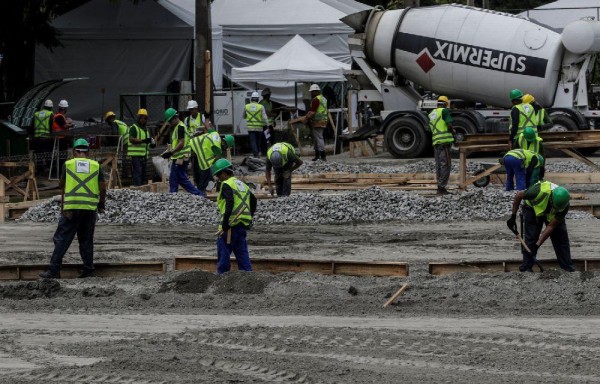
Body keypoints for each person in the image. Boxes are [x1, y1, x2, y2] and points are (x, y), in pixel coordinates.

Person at [39, 138, 107, 279]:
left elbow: (62, 185)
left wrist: (63, 207)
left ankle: (54, 270)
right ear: (87, 151)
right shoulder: (95, 165)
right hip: (89, 208)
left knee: (62, 238)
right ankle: (88, 269)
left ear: (74, 151)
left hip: (72, 208)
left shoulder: (68, 164)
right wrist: (101, 203)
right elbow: (102, 186)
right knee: (86, 239)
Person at [507, 181, 575, 272]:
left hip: (550, 216)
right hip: (532, 209)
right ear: (551, 199)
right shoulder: (537, 191)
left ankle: (567, 268)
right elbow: (518, 195)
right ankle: (527, 268)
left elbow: (551, 226)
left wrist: (538, 244)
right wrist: (513, 217)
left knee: (561, 239)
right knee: (531, 238)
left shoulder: (564, 205)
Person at [213, 158, 257, 274]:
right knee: (242, 252)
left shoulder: (227, 184)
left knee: (223, 250)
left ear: (223, 173)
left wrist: (225, 223)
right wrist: (250, 217)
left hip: (231, 225)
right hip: (242, 224)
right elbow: (254, 201)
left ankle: (222, 277)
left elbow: (230, 203)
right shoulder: (242, 184)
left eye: (218, 175)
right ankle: (248, 276)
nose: (218, 178)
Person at [161, 108, 204, 196]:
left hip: (180, 158)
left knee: (180, 178)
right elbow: (177, 143)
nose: (170, 123)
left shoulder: (180, 127)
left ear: (175, 118)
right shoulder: (179, 127)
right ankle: (174, 195)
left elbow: (181, 143)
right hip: (179, 157)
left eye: (170, 121)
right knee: (175, 179)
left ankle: (198, 194)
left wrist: (171, 152)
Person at [427, 95, 455, 195]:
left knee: (439, 165)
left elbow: (430, 128)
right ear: (446, 104)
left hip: (436, 143)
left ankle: (440, 187)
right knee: (446, 165)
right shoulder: (445, 111)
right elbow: (449, 125)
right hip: (444, 143)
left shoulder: (431, 113)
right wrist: (453, 131)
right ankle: (441, 188)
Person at [189, 127, 222, 194]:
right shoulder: (205, 138)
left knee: (202, 182)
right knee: (202, 180)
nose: (195, 135)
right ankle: (203, 191)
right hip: (203, 163)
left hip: (203, 164)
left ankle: (202, 193)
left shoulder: (196, 140)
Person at [303, 84, 328, 161]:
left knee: (319, 137)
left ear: (316, 91)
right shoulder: (323, 98)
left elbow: (313, 111)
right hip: (323, 120)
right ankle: (317, 155)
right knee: (317, 138)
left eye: (312, 92)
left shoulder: (316, 99)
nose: (311, 93)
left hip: (318, 121)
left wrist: (306, 119)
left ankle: (323, 155)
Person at [128, 109, 153, 186]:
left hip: (144, 155)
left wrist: (151, 143)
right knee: (138, 172)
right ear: (138, 118)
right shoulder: (134, 128)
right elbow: (131, 139)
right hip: (136, 155)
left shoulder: (146, 130)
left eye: (145, 118)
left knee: (143, 173)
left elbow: (148, 141)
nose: (143, 120)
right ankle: (138, 188)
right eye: (142, 118)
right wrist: (143, 141)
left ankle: (141, 187)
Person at [32, 99, 54, 172]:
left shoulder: (36, 114)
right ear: (50, 107)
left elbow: (32, 126)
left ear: (44, 106)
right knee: (47, 153)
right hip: (46, 138)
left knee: (38, 154)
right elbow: (52, 127)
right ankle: (48, 168)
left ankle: (39, 169)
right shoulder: (50, 114)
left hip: (37, 138)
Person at [244, 91, 268, 157]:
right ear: (258, 99)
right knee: (257, 141)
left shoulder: (246, 106)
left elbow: (244, 116)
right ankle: (257, 152)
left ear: (251, 98)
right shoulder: (261, 107)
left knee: (253, 141)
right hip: (259, 127)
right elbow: (264, 117)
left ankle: (255, 153)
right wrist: (267, 124)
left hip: (250, 127)